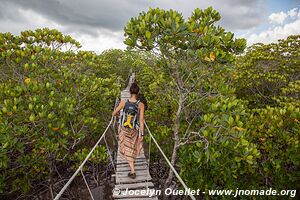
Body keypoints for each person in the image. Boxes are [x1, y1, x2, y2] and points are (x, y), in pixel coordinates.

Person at [112, 82, 145, 179]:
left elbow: (114, 113)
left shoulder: (123, 102)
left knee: (126, 147)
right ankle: (132, 167)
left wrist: (119, 115)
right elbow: (141, 120)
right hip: (133, 130)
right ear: (138, 93)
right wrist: (141, 134)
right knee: (132, 146)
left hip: (123, 128)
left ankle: (133, 171)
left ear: (130, 92)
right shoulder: (140, 105)